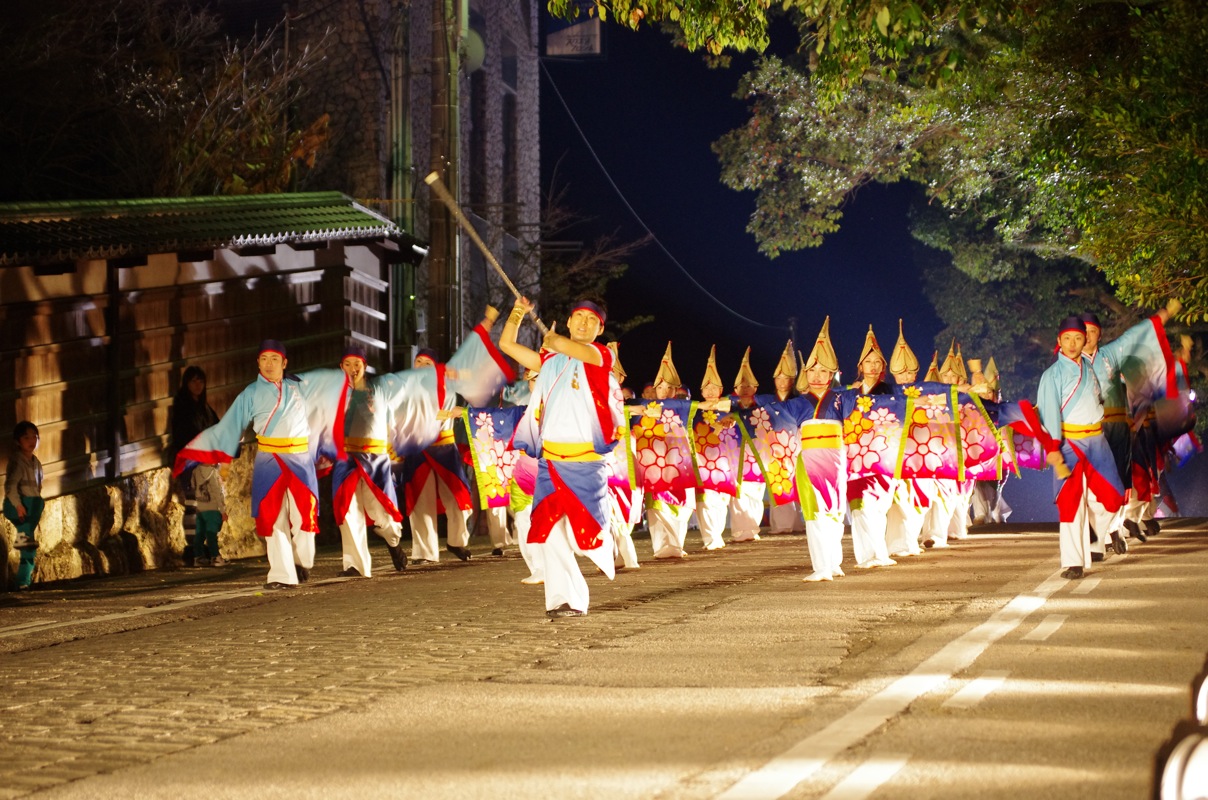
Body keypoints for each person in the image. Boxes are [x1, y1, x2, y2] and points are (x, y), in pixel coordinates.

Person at [500, 295, 624, 618]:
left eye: (592, 320)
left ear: (599, 329)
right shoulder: (550, 360)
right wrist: (517, 313)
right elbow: (507, 345)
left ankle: (605, 531)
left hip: (585, 465)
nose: (584, 323)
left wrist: (556, 341)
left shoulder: (600, 357)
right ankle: (564, 600)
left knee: (586, 539)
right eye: (578, 317)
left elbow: (576, 350)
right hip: (550, 463)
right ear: (568, 321)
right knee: (548, 532)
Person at [175, 340, 321, 590]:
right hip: (269, 458)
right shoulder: (251, 393)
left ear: (284, 363)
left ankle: (302, 559)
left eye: (274, 359)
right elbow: (232, 425)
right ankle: (281, 574)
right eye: (264, 359)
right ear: (258, 363)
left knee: (303, 516)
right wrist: (215, 449)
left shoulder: (301, 387)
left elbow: (323, 413)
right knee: (272, 516)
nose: (269, 364)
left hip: (299, 458)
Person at [1035, 316, 1125, 579]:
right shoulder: (1051, 375)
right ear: (1059, 341)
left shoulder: (1094, 367)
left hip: (1098, 440)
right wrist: (1052, 445)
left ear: (1085, 340)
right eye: (1067, 338)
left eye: (1077, 338)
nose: (1072, 344)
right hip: (1068, 443)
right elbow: (1049, 412)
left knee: (1113, 497)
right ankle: (1073, 561)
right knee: (1071, 503)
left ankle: (1096, 534)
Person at [330, 344, 410, 578]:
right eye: (347, 364)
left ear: (365, 366)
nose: (353, 368)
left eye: (357, 364)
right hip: (346, 457)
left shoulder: (381, 387)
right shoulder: (335, 394)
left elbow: (404, 397)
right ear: (341, 367)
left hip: (375, 457)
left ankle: (393, 541)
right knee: (348, 509)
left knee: (381, 509)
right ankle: (355, 565)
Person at [836, 326, 897, 569]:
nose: (872, 366)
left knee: (877, 508)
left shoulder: (893, 393)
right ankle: (870, 556)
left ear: (883, 367)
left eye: (877, 362)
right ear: (860, 366)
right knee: (860, 504)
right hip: (855, 458)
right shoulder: (849, 394)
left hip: (882, 457)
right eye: (867, 361)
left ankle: (878, 553)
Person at [169, 366, 220, 566]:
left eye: (201, 381)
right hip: (191, 462)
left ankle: (201, 545)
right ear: (186, 384)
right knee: (192, 505)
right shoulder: (183, 407)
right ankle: (192, 547)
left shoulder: (205, 408)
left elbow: (217, 428)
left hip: (206, 462)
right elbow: (183, 435)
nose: (197, 385)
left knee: (205, 506)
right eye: (193, 381)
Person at [4, 422, 43, 591]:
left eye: (34, 436)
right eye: (26, 437)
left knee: (25, 538)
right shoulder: (18, 462)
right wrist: (18, 505)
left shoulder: (35, 462)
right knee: (27, 544)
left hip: (32, 505)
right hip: (21, 506)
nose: (31, 440)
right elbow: (10, 486)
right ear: (18, 441)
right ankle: (22, 581)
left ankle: (22, 580)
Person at [190, 463, 228, 567]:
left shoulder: (195, 471)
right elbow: (216, 492)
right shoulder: (213, 472)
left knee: (200, 533)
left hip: (200, 508)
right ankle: (215, 557)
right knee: (211, 533)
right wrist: (222, 510)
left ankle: (198, 558)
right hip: (212, 507)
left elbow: (193, 486)